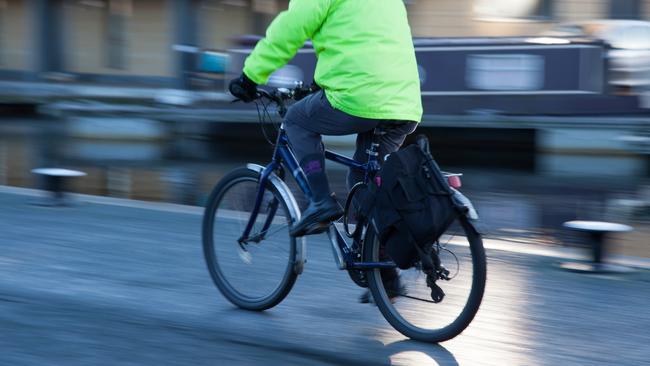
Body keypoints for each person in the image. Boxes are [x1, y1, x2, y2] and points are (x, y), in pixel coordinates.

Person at [229, 1, 422, 240]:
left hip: (358, 95)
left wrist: (250, 76)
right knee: (364, 182)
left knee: (296, 121)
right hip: (404, 103)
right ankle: (384, 269)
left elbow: (290, 28)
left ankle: (321, 202)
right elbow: (366, 41)